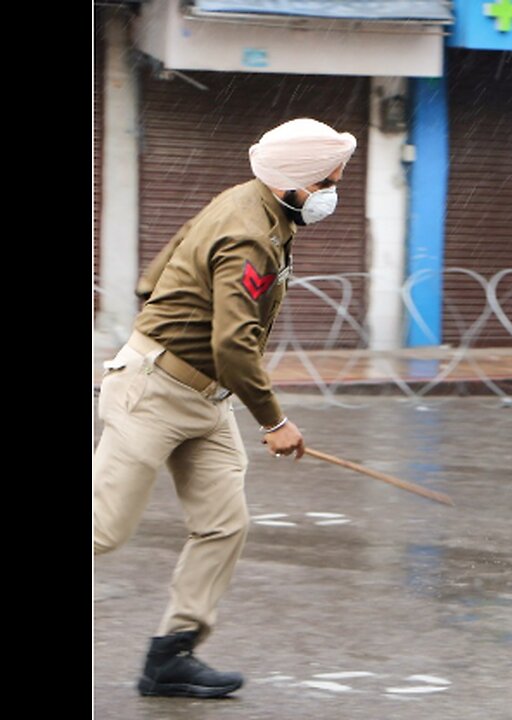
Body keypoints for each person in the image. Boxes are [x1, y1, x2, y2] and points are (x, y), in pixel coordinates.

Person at [92, 118, 357, 698]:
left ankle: (170, 656)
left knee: (223, 524)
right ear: (291, 183)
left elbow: (153, 275)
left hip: (206, 398)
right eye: (327, 183)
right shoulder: (250, 234)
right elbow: (233, 343)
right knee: (103, 529)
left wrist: (174, 316)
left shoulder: (251, 204)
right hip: (154, 392)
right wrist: (276, 422)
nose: (334, 194)